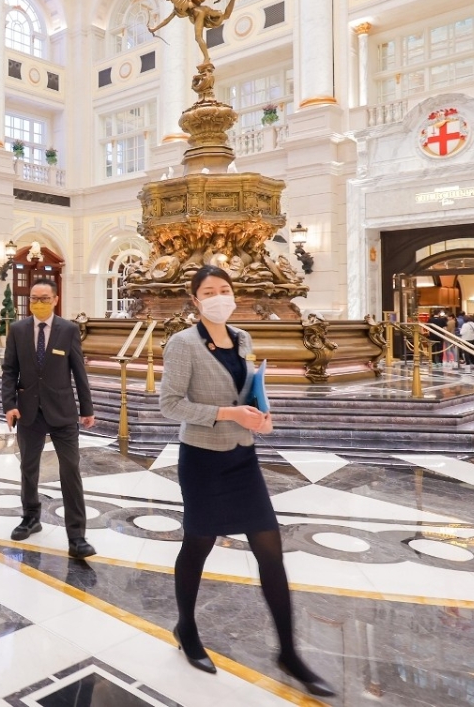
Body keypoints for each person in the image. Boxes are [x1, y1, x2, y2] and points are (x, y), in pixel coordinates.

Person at [158, 265, 334, 698]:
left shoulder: (243, 339)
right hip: (202, 459)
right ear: (195, 300)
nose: (219, 297)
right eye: (209, 291)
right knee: (197, 544)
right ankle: (186, 627)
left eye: (225, 289)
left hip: (242, 457)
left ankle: (288, 651)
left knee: (270, 550)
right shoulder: (183, 343)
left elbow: (249, 392)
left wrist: (259, 417)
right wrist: (227, 414)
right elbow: (170, 404)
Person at [1, 278, 97, 560]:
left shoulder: (68, 329)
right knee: (29, 468)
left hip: (62, 412)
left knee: (70, 471)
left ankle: (77, 536)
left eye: (44, 298)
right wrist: (9, 405)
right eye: (34, 298)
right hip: (28, 411)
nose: (39, 303)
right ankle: (31, 517)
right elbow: (9, 370)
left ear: (55, 300)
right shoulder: (18, 330)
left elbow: (78, 371)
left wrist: (87, 408)